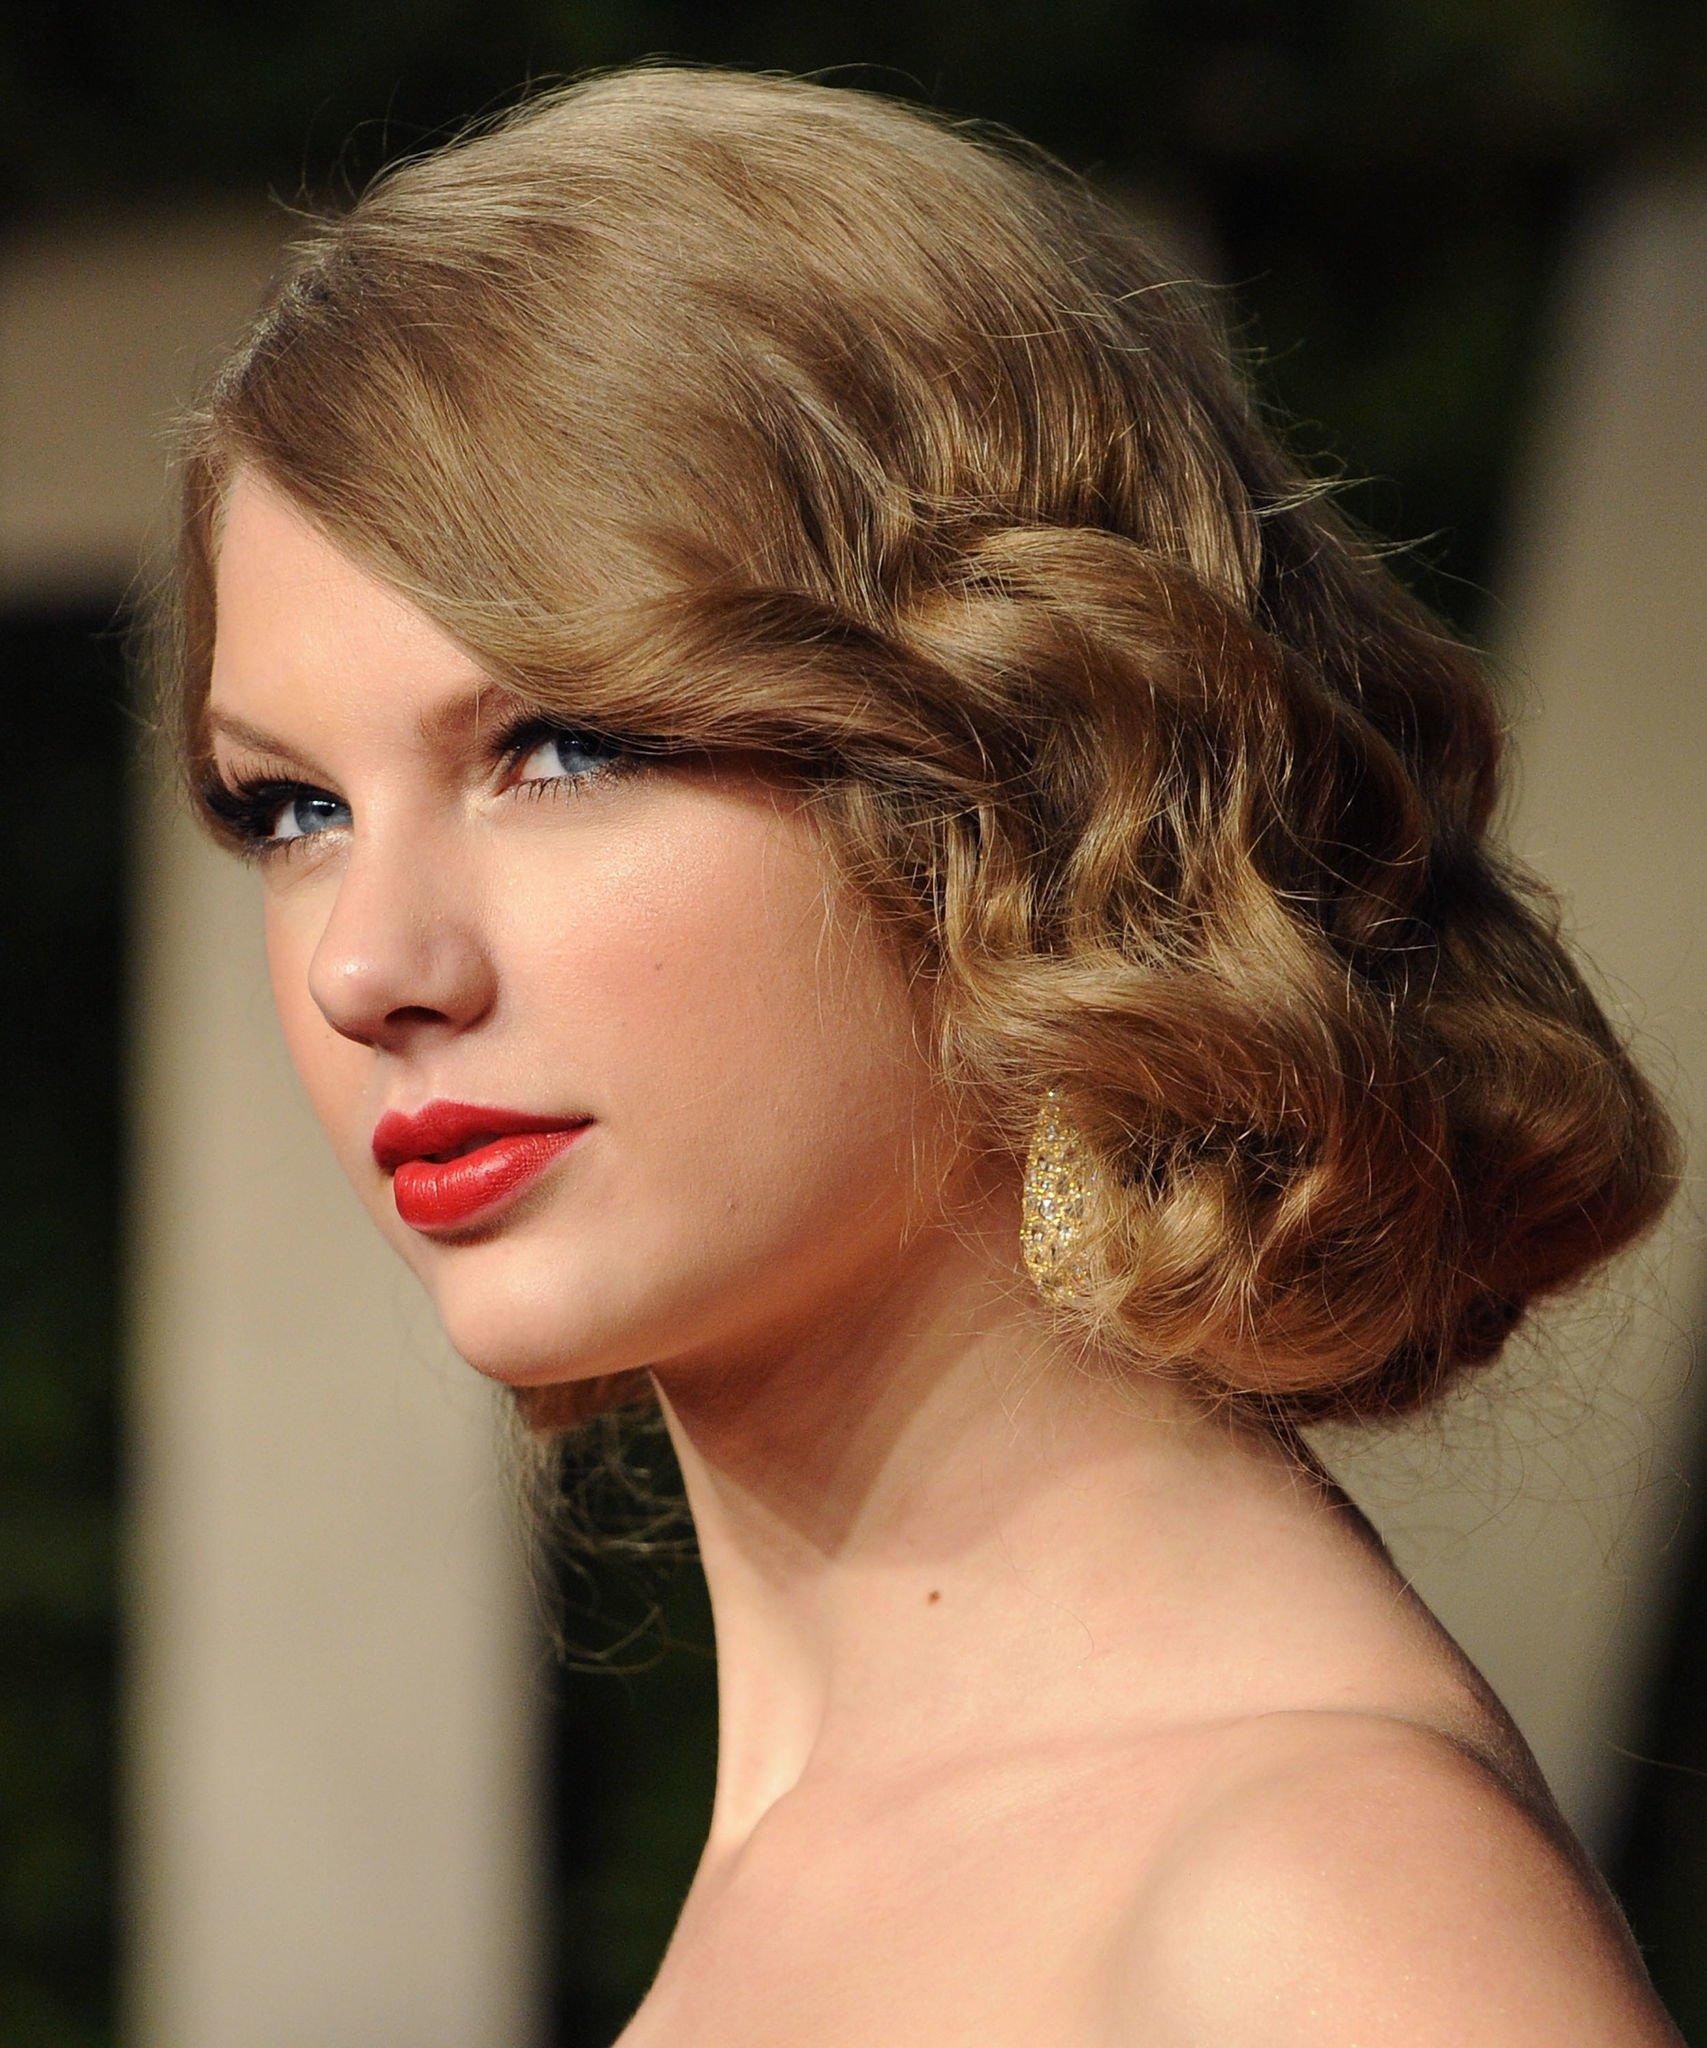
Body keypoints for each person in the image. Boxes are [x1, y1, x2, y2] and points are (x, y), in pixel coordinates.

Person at [147, 59, 1687, 2045]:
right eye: (289, 808)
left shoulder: (1306, 1908)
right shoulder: (885, 1846)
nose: (371, 963)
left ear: (1017, 772)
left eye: (565, 747)